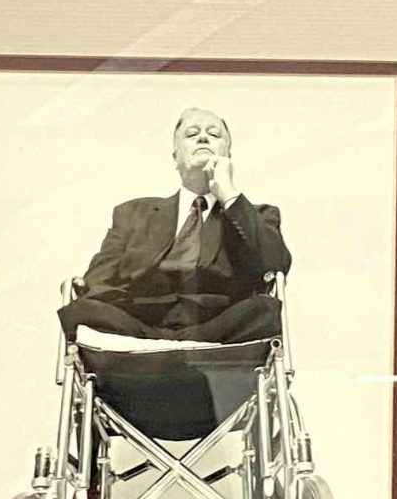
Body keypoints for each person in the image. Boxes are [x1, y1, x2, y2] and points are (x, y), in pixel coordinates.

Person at [57, 106, 292, 344]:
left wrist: (230, 195)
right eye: (192, 134)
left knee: (264, 310)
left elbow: (276, 265)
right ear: (175, 158)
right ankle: (150, 348)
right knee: (81, 309)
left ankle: (170, 351)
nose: (203, 137)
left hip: (216, 328)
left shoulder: (256, 214)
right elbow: (99, 280)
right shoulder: (132, 213)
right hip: (137, 327)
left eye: (214, 134)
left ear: (228, 156)